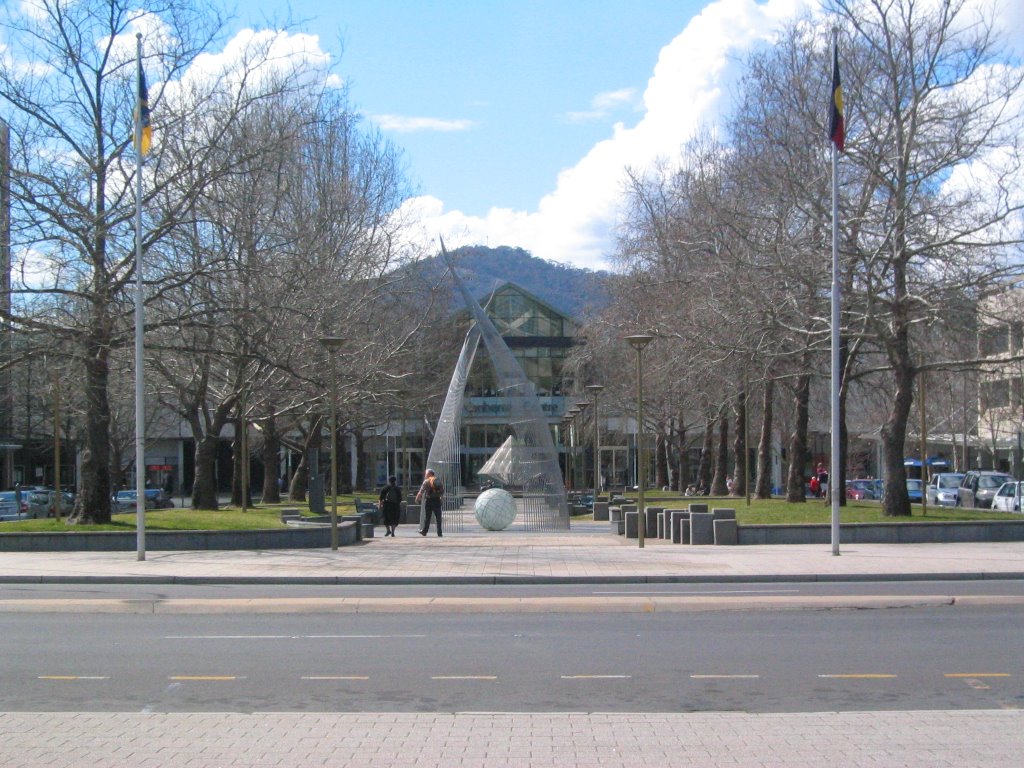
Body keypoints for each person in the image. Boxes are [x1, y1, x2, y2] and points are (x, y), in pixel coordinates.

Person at [416, 469, 444, 537]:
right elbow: (442, 491)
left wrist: (417, 498)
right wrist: (441, 498)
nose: (425, 475)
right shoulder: (438, 480)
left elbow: (421, 491)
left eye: (426, 474)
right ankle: (439, 533)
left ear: (429, 474)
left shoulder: (426, 481)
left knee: (428, 517)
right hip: (437, 500)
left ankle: (424, 531)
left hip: (429, 501)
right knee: (438, 517)